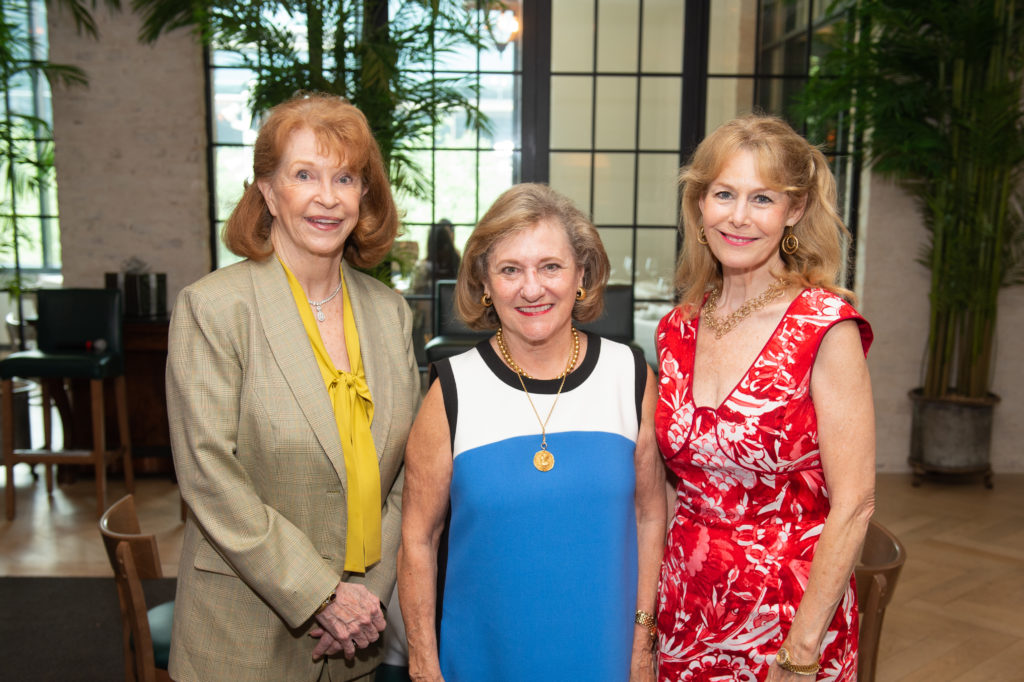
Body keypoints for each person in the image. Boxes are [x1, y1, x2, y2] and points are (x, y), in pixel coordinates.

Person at [166, 92, 421, 682]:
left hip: (355, 637)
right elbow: (209, 476)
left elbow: (411, 471)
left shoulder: (390, 313)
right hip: (240, 637)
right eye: (303, 174)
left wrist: (365, 596)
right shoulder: (215, 308)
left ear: (365, 194)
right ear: (267, 190)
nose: (327, 197)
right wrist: (321, 596)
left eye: (346, 177)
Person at [398, 183, 666, 681]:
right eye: (509, 269)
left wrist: (644, 642)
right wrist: (423, 664)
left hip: (606, 656)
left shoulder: (630, 376)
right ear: (484, 281)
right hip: (483, 660)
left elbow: (650, 516)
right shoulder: (450, 390)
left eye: (550, 266)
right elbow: (418, 537)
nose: (532, 288)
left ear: (581, 274)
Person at [655, 113, 875, 681]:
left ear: (794, 211)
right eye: (724, 194)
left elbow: (854, 504)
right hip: (687, 611)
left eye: (763, 199)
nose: (738, 217)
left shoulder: (824, 326)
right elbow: (673, 487)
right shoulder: (676, 329)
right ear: (700, 205)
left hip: (789, 621)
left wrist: (800, 654)